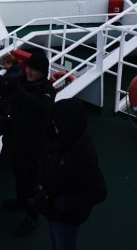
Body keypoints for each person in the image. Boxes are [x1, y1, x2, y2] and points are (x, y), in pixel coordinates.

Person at [0, 48, 56, 236]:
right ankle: (20, 201)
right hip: (16, 141)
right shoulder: (22, 81)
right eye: (29, 67)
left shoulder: (47, 90)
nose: (30, 72)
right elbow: (5, 90)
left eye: (35, 70)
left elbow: (43, 107)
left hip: (33, 147)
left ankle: (32, 216)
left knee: (31, 184)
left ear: (43, 72)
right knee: (18, 177)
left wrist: (18, 88)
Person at [31, 98, 107, 250]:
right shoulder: (60, 140)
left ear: (67, 125)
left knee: (63, 244)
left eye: (57, 123)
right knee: (55, 239)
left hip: (66, 216)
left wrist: (66, 204)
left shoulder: (82, 155)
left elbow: (99, 192)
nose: (54, 126)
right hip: (52, 207)